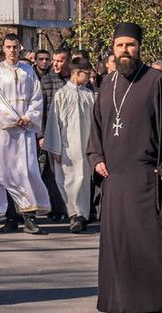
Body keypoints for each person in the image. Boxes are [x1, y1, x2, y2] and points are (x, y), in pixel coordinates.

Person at [87, 23, 162, 313]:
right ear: (113, 48)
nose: (125, 50)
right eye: (120, 45)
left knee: (155, 247)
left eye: (131, 45)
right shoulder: (107, 83)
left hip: (148, 182)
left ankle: (159, 303)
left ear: (139, 47)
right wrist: (96, 157)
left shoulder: (156, 80)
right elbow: (96, 128)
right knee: (120, 249)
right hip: (115, 183)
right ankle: (122, 304)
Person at [0, 33, 50, 234]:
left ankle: (29, 217)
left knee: (26, 170)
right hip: (4, 130)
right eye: (8, 47)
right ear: (3, 49)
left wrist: (28, 117)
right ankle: (10, 217)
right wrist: (12, 117)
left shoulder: (28, 70)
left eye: (15, 47)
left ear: (19, 48)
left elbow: (37, 97)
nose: (12, 51)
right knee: (5, 171)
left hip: (25, 129)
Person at [43, 56, 94, 233]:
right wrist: (55, 148)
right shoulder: (61, 95)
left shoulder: (89, 95)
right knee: (67, 181)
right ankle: (73, 214)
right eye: (87, 74)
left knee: (83, 180)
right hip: (66, 147)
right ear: (77, 73)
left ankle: (82, 216)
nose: (89, 77)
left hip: (86, 145)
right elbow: (53, 124)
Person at [39, 48, 71, 220]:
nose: (56, 64)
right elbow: (42, 110)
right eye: (55, 60)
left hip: (71, 133)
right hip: (52, 133)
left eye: (60, 60)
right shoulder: (46, 81)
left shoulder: (73, 80)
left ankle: (72, 208)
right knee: (52, 172)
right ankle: (57, 209)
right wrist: (42, 135)